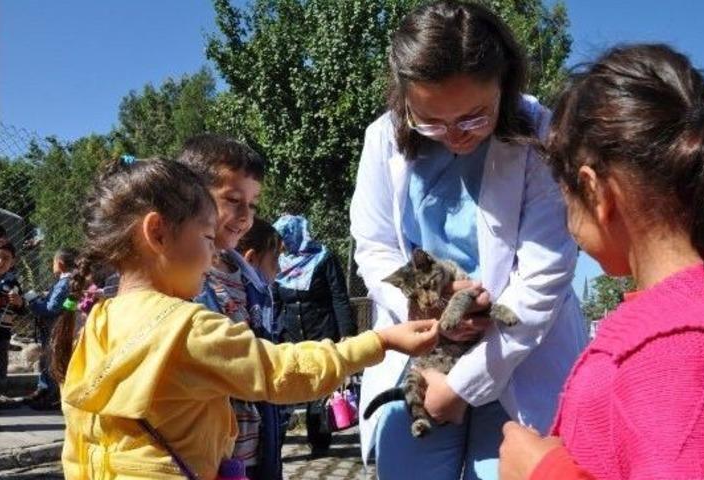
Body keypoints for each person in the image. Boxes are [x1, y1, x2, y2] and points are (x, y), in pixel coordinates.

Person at [498, 44, 704, 480]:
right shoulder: (671, 341)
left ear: (595, 192)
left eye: (564, 192)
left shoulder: (685, 361)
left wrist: (543, 471)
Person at [52, 156, 440, 479]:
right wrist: (381, 342)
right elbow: (282, 371)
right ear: (157, 233)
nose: (211, 256)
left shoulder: (96, 320)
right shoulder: (184, 327)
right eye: (206, 239)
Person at [350, 2, 587, 478]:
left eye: (475, 118)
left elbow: (545, 274)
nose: (455, 136)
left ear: (505, 83)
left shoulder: (540, 131)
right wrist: (429, 310)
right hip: (424, 350)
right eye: (432, 122)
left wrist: (461, 385)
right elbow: (374, 247)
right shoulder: (383, 139)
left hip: (519, 353)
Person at [178, 135, 279, 479]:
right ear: (189, 197)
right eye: (233, 200)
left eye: (253, 205)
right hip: (201, 461)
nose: (244, 217)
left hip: (253, 456)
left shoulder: (253, 284)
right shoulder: (177, 281)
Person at [273, 214, 357, 456]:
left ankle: (319, 444)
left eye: (284, 237)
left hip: (321, 331)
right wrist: (272, 334)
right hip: (290, 335)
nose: (281, 243)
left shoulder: (324, 258)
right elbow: (276, 301)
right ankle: (275, 444)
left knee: (318, 390)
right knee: (283, 388)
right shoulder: (279, 262)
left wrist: (347, 334)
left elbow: (339, 297)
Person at [24, 248, 77, 410]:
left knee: (51, 360)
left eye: (53, 262)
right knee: (49, 359)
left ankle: (51, 396)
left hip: (54, 329)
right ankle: (44, 390)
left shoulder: (63, 283)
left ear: (60, 264)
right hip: (61, 328)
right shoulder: (72, 281)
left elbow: (51, 308)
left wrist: (33, 302)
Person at [0, 240, 24, 406]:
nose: (0, 261)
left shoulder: (13, 282)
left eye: (6, 258)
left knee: (0, 365)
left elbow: (21, 311)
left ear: (12, 261)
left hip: (2, 333)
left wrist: (19, 302)